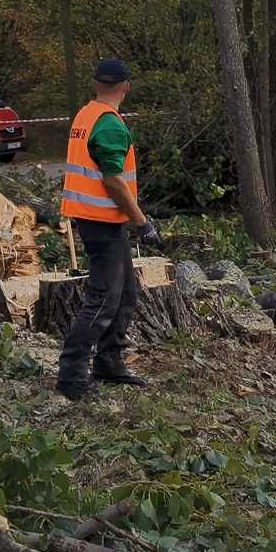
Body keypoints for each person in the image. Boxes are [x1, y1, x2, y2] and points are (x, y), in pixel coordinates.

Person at [55, 57, 161, 401]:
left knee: (126, 292)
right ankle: (71, 375)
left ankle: (109, 361)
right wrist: (142, 222)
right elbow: (114, 180)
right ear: (126, 87)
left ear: (95, 84)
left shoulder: (86, 115)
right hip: (102, 223)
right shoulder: (110, 124)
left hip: (97, 220)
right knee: (103, 300)